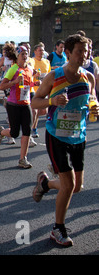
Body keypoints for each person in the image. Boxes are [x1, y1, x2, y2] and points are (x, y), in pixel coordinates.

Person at [31, 34, 98, 247]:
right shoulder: (54, 76)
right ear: (68, 53)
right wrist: (52, 100)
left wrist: (95, 107)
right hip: (56, 135)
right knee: (68, 185)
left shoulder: (89, 77)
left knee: (77, 187)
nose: (84, 55)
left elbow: (92, 99)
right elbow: (35, 102)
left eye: (86, 51)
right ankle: (58, 229)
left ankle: (45, 183)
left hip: (78, 135)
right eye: (80, 51)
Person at [0, 45, 34, 168]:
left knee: (27, 131)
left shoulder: (30, 69)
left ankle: (23, 159)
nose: (25, 56)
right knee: (15, 133)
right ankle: (2, 132)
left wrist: (36, 83)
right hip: (14, 104)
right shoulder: (14, 69)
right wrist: (14, 82)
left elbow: (28, 85)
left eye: (26, 53)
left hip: (26, 103)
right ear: (17, 56)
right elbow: (2, 86)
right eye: (22, 54)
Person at [28, 43, 51, 139]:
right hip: (33, 89)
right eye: (40, 50)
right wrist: (34, 74)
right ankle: (33, 129)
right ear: (35, 52)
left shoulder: (46, 62)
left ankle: (30, 123)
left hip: (44, 89)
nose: (42, 52)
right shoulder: (31, 61)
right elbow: (29, 70)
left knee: (43, 111)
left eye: (43, 50)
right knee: (35, 111)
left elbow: (49, 75)